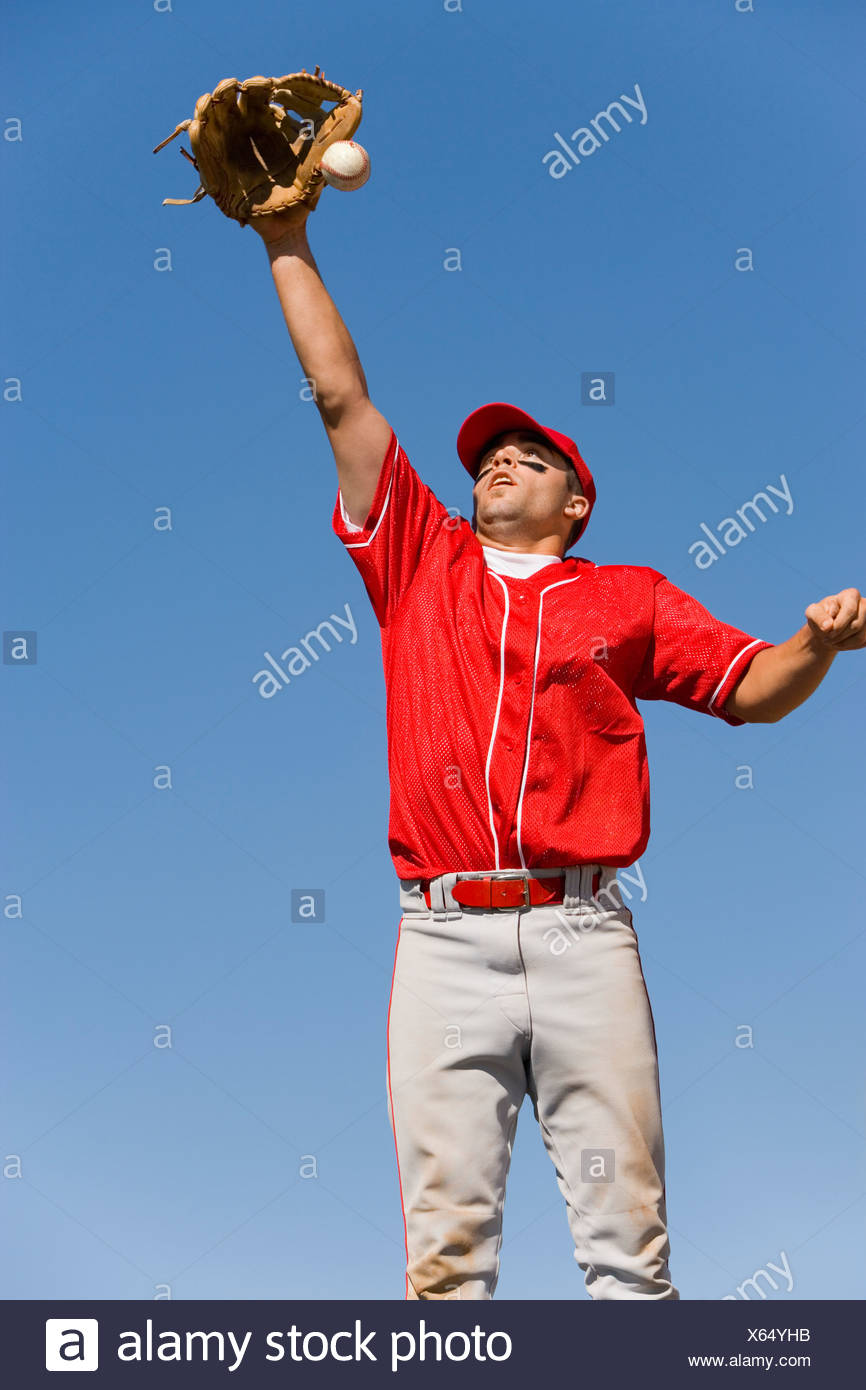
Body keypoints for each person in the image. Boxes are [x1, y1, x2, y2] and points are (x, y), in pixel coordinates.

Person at [252, 205, 866, 1300]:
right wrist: (285, 239)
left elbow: (754, 691)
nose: (496, 464)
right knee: (446, 1263)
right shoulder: (417, 558)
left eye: (526, 458)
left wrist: (812, 643)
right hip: (441, 936)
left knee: (627, 1253)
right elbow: (341, 394)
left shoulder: (626, 598)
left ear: (572, 503)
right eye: (487, 455)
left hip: (584, 931)